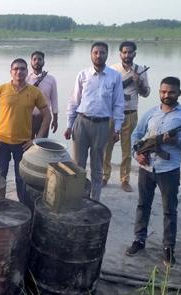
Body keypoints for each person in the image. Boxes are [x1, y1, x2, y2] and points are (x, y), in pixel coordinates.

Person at [126, 76, 181, 267]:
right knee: (143, 205)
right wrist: (137, 154)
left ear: (179, 93)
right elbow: (136, 134)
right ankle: (139, 240)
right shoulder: (151, 113)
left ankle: (168, 249)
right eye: (163, 92)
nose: (166, 95)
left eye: (171, 92)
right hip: (146, 168)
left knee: (170, 210)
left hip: (169, 169)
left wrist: (177, 141)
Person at [0, 58, 51, 204]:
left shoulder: (34, 92)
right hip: (1, 141)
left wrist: (36, 140)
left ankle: (23, 207)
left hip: (24, 143)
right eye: (16, 69)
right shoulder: (1, 89)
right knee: (1, 175)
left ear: (27, 72)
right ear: (11, 72)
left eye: (22, 69)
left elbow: (47, 116)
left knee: (22, 177)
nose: (19, 71)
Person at [65, 41, 124, 201]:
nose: (99, 56)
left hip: (103, 125)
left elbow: (118, 104)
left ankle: (95, 199)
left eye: (102, 53)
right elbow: (74, 101)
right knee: (78, 164)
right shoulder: (83, 75)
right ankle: (77, 197)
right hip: (81, 122)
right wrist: (69, 125)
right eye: (96, 52)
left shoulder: (115, 77)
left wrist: (117, 129)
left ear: (107, 55)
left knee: (97, 165)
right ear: (91, 55)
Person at [103, 41, 151, 192]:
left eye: (130, 52)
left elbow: (146, 93)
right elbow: (105, 92)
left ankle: (125, 180)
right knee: (106, 148)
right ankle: (105, 176)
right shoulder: (112, 69)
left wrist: (138, 83)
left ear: (134, 54)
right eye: (124, 52)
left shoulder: (140, 70)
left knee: (127, 149)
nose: (127, 55)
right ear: (120, 54)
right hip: (111, 115)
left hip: (130, 114)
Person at [26, 51, 59, 138]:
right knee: (26, 146)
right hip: (27, 117)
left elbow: (54, 101)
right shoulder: (26, 79)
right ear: (31, 62)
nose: (37, 61)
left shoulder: (51, 80)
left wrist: (55, 119)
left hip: (44, 117)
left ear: (43, 62)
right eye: (34, 59)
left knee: (42, 145)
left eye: (39, 59)